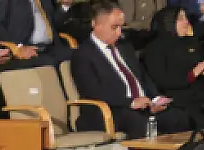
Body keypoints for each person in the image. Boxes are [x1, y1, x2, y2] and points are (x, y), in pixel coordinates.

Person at [71, 1, 189, 137]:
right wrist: (131, 102)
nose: (119, 33)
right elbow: (93, 91)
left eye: (121, 27)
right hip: (111, 110)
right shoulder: (83, 54)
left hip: (142, 107)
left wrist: (155, 98)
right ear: (96, 24)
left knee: (178, 117)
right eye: (114, 27)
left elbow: (142, 77)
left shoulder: (125, 47)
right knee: (137, 121)